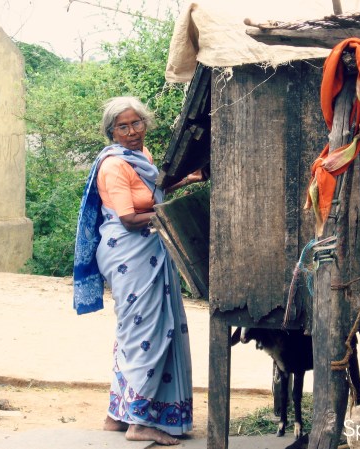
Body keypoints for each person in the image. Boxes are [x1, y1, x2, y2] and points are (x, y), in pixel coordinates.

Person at [73, 96, 204, 445]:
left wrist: (188, 179)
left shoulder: (141, 158)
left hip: (146, 250)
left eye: (137, 124)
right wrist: (173, 214)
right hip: (128, 251)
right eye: (123, 127)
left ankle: (117, 415)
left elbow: (152, 194)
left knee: (138, 329)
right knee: (145, 332)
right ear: (111, 132)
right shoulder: (114, 165)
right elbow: (130, 218)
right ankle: (140, 422)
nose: (132, 132)